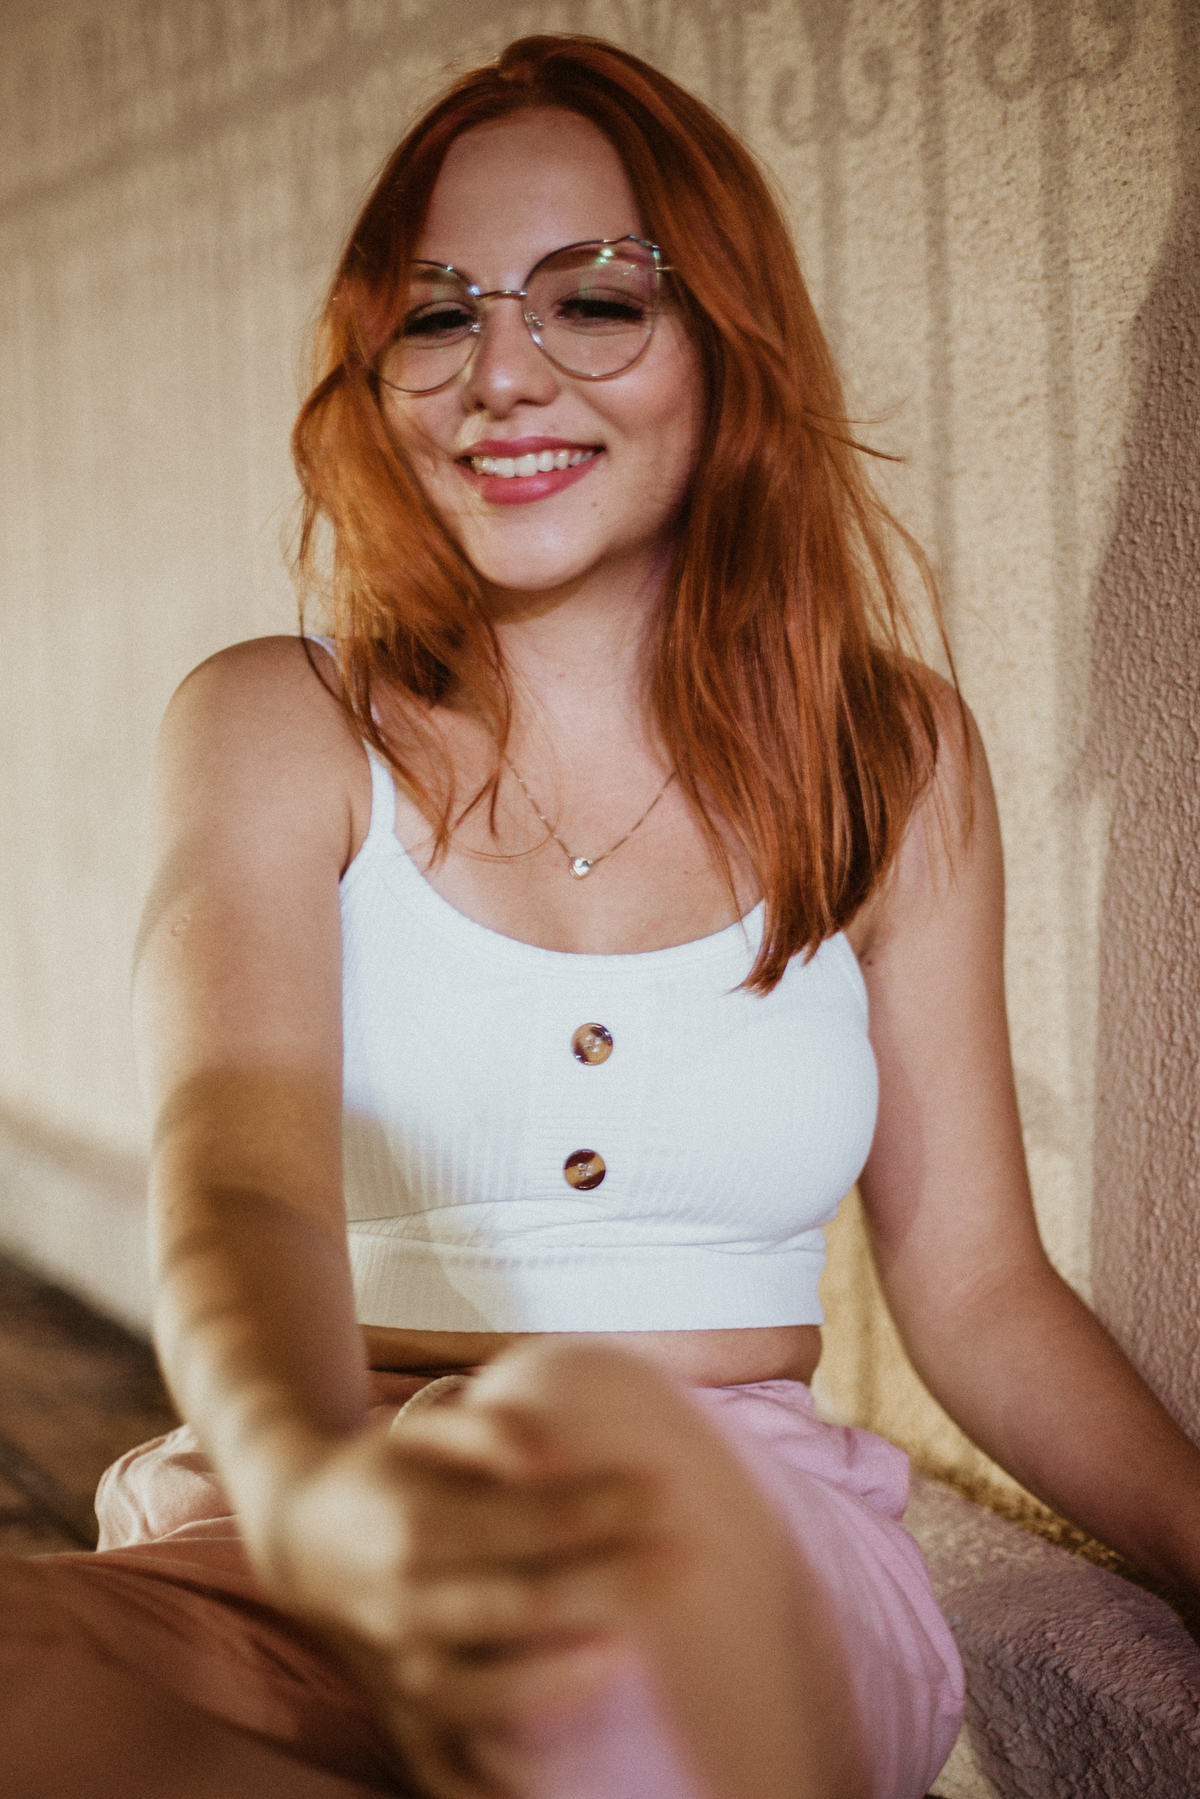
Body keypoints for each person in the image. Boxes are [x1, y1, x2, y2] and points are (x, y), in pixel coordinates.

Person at [3, 31, 1198, 1799]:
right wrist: (316, 1499)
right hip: (334, 1513)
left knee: (577, 1429)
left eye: (595, 300)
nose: (504, 373)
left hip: (742, 1549)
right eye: (438, 315)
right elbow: (241, 1177)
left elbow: (979, 1287)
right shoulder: (276, 724)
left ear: (725, 341)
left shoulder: (888, 754)